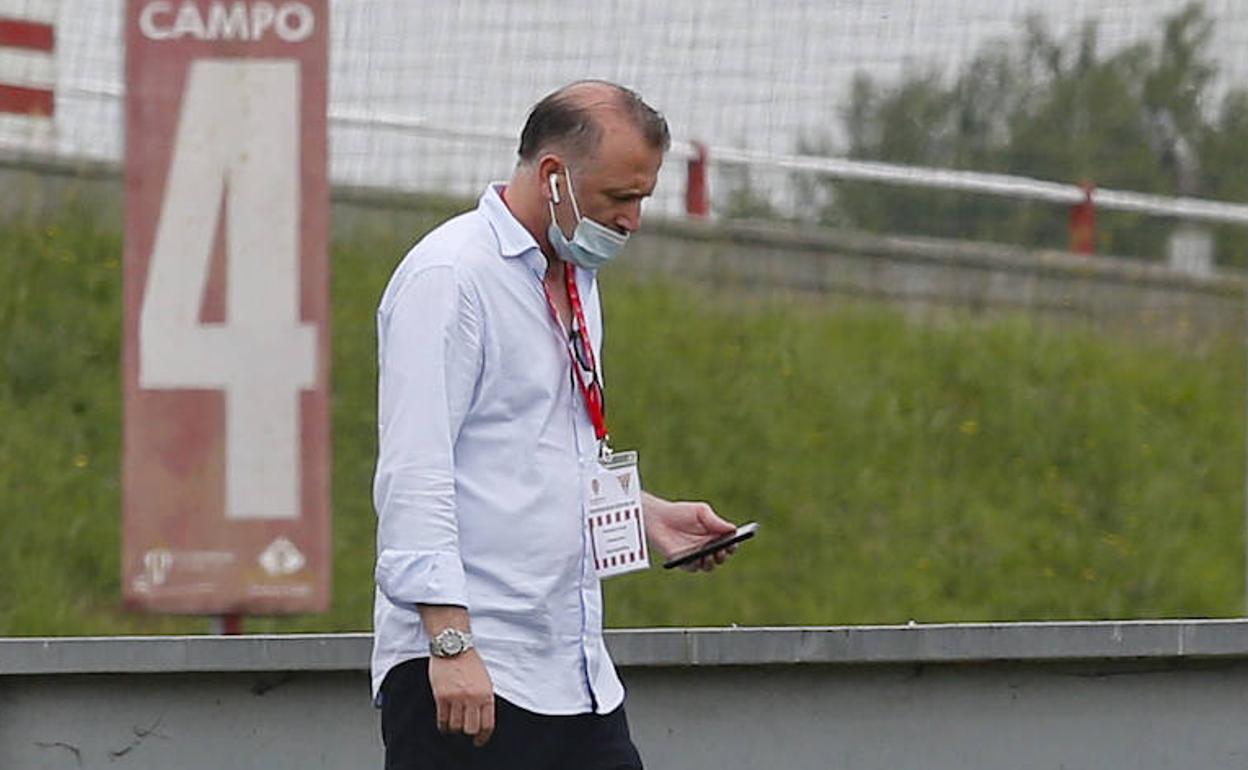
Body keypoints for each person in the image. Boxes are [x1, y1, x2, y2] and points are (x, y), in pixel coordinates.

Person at [371, 80, 739, 770]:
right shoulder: (450, 278)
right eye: (619, 199)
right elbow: (413, 475)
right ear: (553, 177)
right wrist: (452, 647)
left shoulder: (575, 279)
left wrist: (646, 513)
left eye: (642, 199)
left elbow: (541, 457)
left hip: (574, 676)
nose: (632, 220)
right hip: (470, 676)